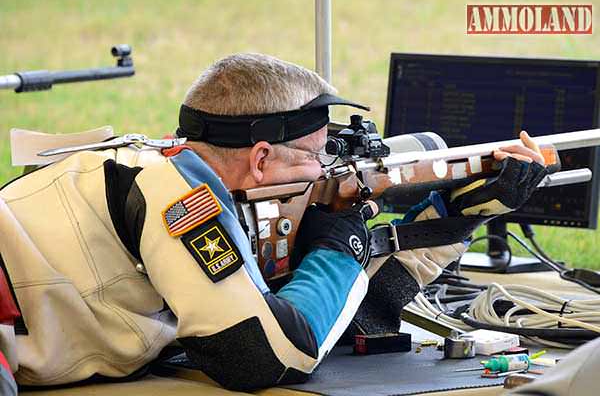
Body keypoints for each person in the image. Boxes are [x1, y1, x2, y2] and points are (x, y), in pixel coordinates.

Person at [0, 53, 547, 392]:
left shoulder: (165, 165)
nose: (324, 170)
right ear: (261, 159)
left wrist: (454, 218)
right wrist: (341, 244)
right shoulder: (181, 198)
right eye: (315, 154)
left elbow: (347, 323)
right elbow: (261, 355)